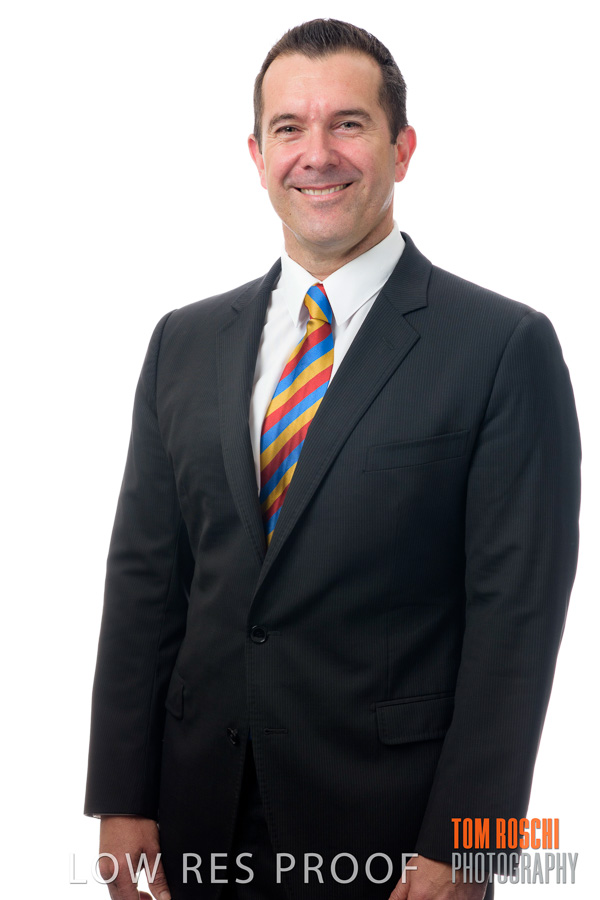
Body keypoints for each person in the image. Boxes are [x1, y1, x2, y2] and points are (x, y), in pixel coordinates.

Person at [84, 18, 581, 900]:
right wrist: (121, 799)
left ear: (402, 148)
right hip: (198, 820)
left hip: (395, 837)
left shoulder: (502, 347)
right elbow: (145, 583)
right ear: (257, 155)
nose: (317, 154)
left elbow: (517, 623)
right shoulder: (182, 343)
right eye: (289, 128)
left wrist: (474, 846)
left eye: (348, 124)